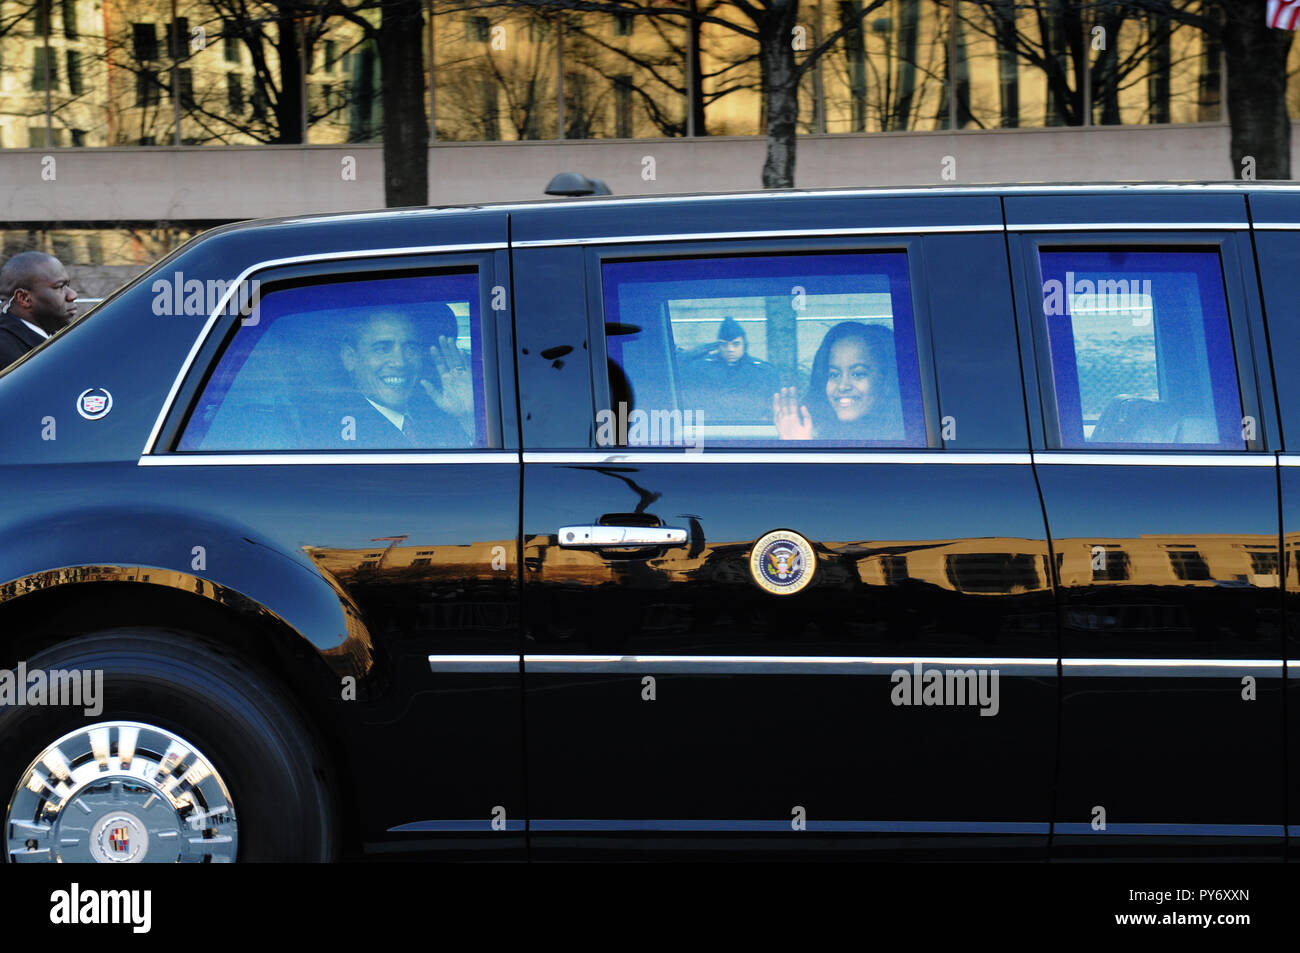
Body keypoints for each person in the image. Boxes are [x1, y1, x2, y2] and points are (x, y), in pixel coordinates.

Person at [331, 309, 476, 448]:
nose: (400, 362)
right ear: (350, 357)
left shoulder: (437, 414)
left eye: (411, 349)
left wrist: (467, 417)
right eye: (382, 349)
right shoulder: (332, 430)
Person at [773, 321, 905, 442]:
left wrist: (801, 447)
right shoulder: (821, 434)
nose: (842, 386)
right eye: (834, 375)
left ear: (886, 380)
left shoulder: (905, 439)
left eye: (858, 374)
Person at [679, 316, 778, 423]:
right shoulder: (701, 368)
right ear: (718, 346)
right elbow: (675, 368)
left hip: (750, 429)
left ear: (744, 344)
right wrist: (698, 351)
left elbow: (772, 407)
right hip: (713, 429)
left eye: (736, 344)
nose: (730, 349)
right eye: (724, 345)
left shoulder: (763, 371)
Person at [0, 251, 78, 367]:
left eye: (68, 285)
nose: (72, 295)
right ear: (24, 298)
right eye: (59, 287)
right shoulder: (6, 351)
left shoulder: (58, 337)